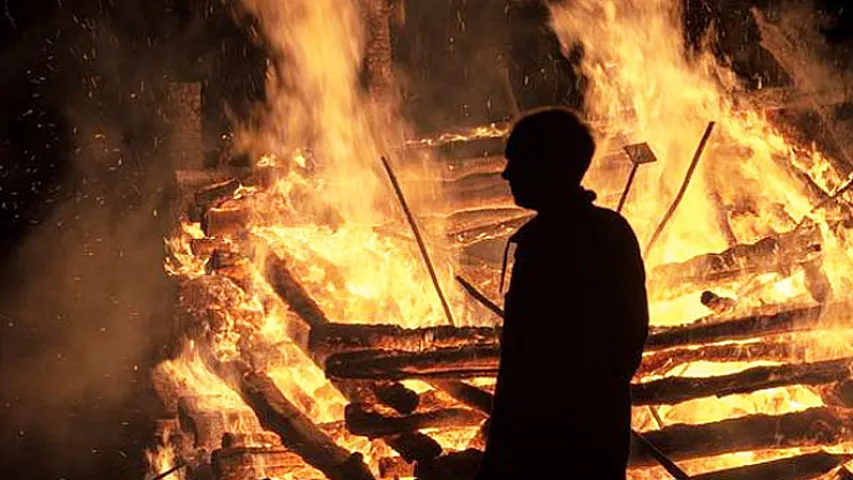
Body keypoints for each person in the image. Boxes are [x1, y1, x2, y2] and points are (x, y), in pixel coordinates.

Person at [475, 107, 649, 480]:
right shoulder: (610, 231)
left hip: (548, 447)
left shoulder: (549, 245)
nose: (507, 174)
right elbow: (630, 339)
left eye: (516, 161)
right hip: (597, 435)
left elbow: (525, 362)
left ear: (546, 166)